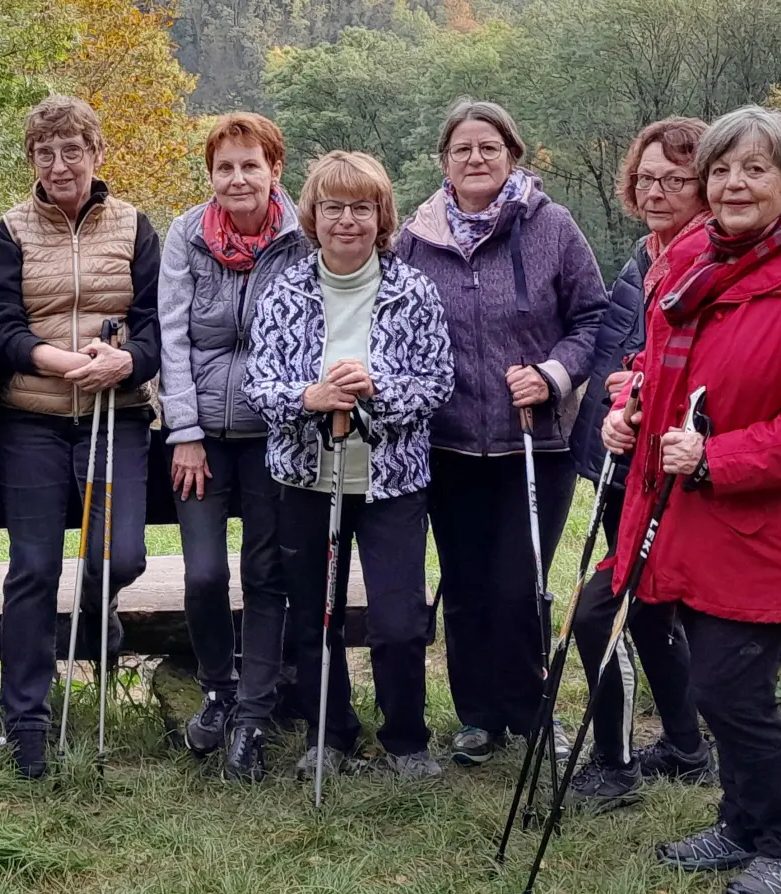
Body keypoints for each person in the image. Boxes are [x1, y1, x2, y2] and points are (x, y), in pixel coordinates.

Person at [604, 105, 781, 894]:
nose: (732, 183)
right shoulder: (706, 265)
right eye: (720, 168)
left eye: (753, 169)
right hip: (690, 513)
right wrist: (634, 413)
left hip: (761, 524)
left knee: (731, 687)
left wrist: (715, 457)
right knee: (714, 683)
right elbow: (676, 377)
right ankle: (740, 821)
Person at [394, 98, 606, 766]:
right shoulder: (415, 238)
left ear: (512, 154)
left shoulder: (551, 227)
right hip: (448, 440)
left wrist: (551, 374)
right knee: (463, 583)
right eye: (462, 149)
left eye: (488, 147)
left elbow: (595, 320)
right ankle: (477, 716)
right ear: (443, 161)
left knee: (519, 584)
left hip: (532, 441)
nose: (475, 159)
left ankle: (529, 708)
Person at [246, 151, 453, 781]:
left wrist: (376, 388)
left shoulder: (413, 289)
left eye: (361, 208)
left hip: (391, 480)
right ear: (313, 215)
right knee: (316, 615)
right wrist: (311, 396)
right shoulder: (285, 291)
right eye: (332, 208)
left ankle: (406, 741)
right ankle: (329, 734)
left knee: (397, 619)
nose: (346, 221)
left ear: (381, 215)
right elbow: (261, 385)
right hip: (307, 478)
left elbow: (439, 381)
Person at [0, 95, 162, 779]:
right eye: (44, 152)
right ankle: (26, 715)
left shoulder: (135, 227)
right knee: (31, 569)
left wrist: (128, 361)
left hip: (117, 413)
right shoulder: (10, 231)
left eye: (71, 149)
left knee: (120, 555)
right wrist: (52, 359)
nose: (59, 164)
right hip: (32, 417)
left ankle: (92, 611)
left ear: (96, 152)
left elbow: (155, 322)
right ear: (31, 160)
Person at [565, 118, 715, 813]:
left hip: (682, 474)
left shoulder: (708, 262)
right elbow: (630, 354)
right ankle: (685, 748)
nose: (655, 191)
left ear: (704, 183)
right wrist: (622, 397)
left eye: (674, 179)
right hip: (629, 463)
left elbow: (708, 374)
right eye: (646, 177)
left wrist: (642, 397)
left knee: (599, 612)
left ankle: (614, 764)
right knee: (649, 614)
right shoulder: (648, 253)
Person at [158, 112, 310, 774]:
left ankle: (253, 709)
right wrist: (184, 433)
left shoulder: (303, 237)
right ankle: (217, 688)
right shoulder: (185, 235)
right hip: (203, 441)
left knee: (264, 572)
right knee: (204, 572)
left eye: (251, 164)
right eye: (225, 167)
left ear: (274, 169)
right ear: (210, 174)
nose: (237, 177)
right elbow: (170, 337)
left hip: (276, 432)